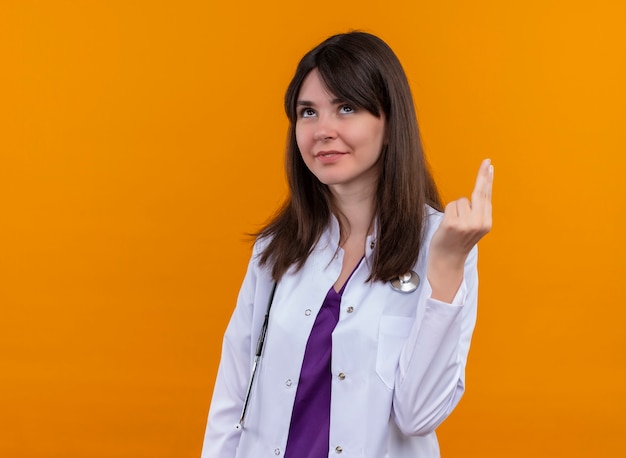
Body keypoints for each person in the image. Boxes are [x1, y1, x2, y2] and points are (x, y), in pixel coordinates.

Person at [201, 31, 493, 458]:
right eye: (308, 112)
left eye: (346, 108)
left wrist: (447, 264)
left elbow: (418, 416)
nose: (323, 130)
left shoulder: (441, 245)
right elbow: (232, 400)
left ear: (391, 124)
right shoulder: (275, 249)